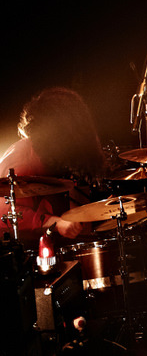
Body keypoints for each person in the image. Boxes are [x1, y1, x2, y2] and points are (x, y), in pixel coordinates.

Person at [0, 87, 104, 243]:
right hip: (20, 252)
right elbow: (2, 210)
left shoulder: (59, 160)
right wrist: (53, 222)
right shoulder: (23, 154)